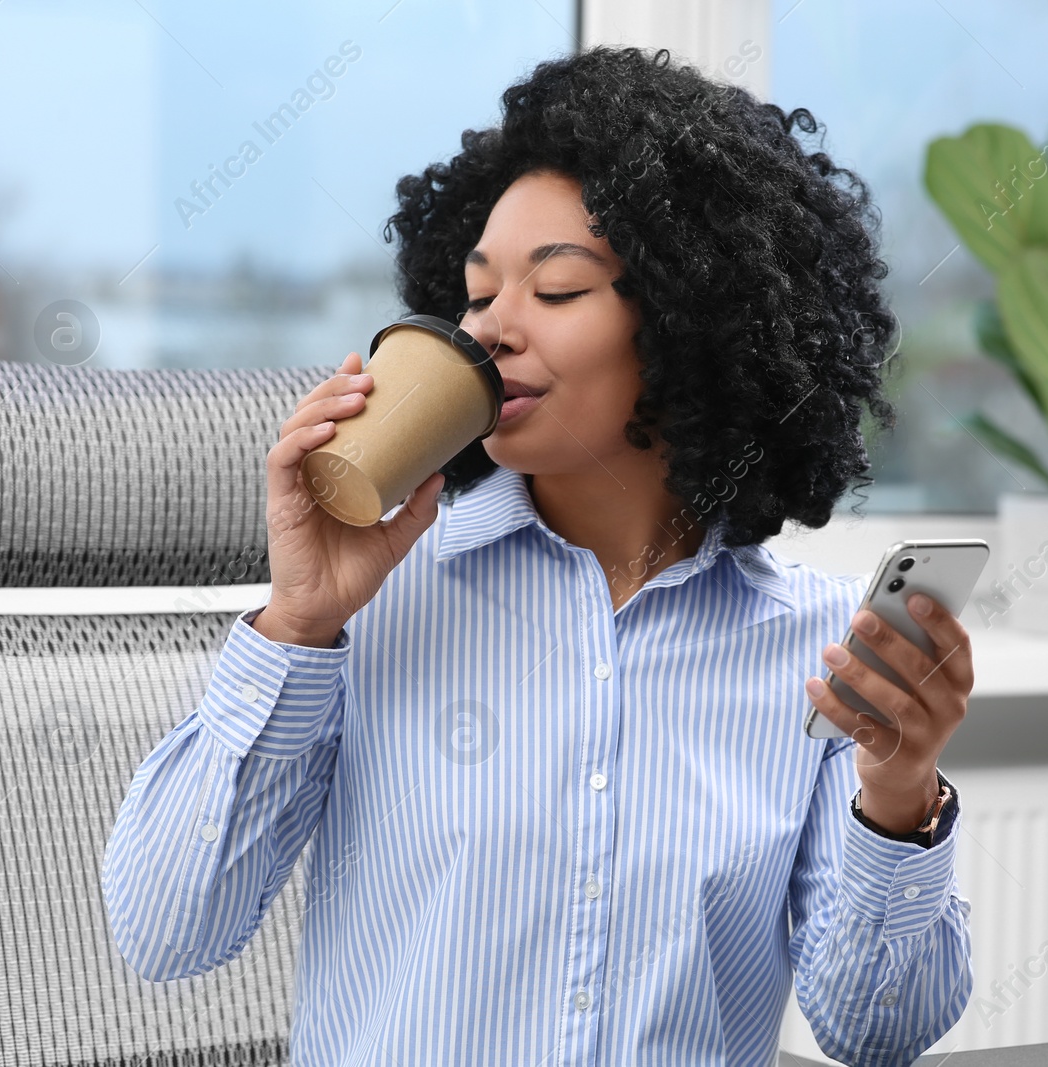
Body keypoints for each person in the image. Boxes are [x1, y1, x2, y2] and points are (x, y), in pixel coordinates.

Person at [102, 44, 975, 1066]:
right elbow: (165, 933)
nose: (491, 330)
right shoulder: (368, 610)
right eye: (474, 295)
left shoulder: (824, 651)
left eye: (555, 291)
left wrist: (900, 790)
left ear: (696, 318)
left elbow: (878, 1033)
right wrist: (297, 624)